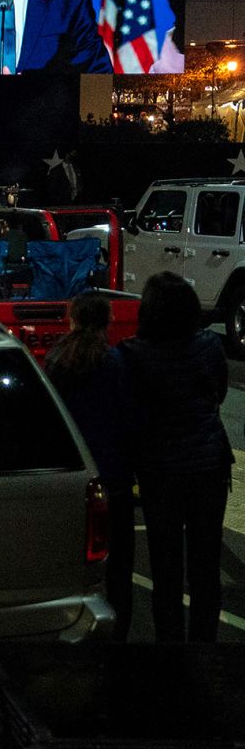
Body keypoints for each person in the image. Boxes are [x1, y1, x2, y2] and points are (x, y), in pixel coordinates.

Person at [119, 272, 232, 643]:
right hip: (208, 464)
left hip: (160, 469)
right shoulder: (209, 346)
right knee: (206, 565)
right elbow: (219, 393)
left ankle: (169, 650)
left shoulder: (133, 354)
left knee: (165, 569)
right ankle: (206, 646)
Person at [45, 292, 135, 641]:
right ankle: (119, 640)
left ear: (73, 320)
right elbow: (128, 421)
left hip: (73, 478)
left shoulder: (56, 363)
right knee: (119, 572)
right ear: (106, 322)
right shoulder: (114, 365)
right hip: (113, 477)